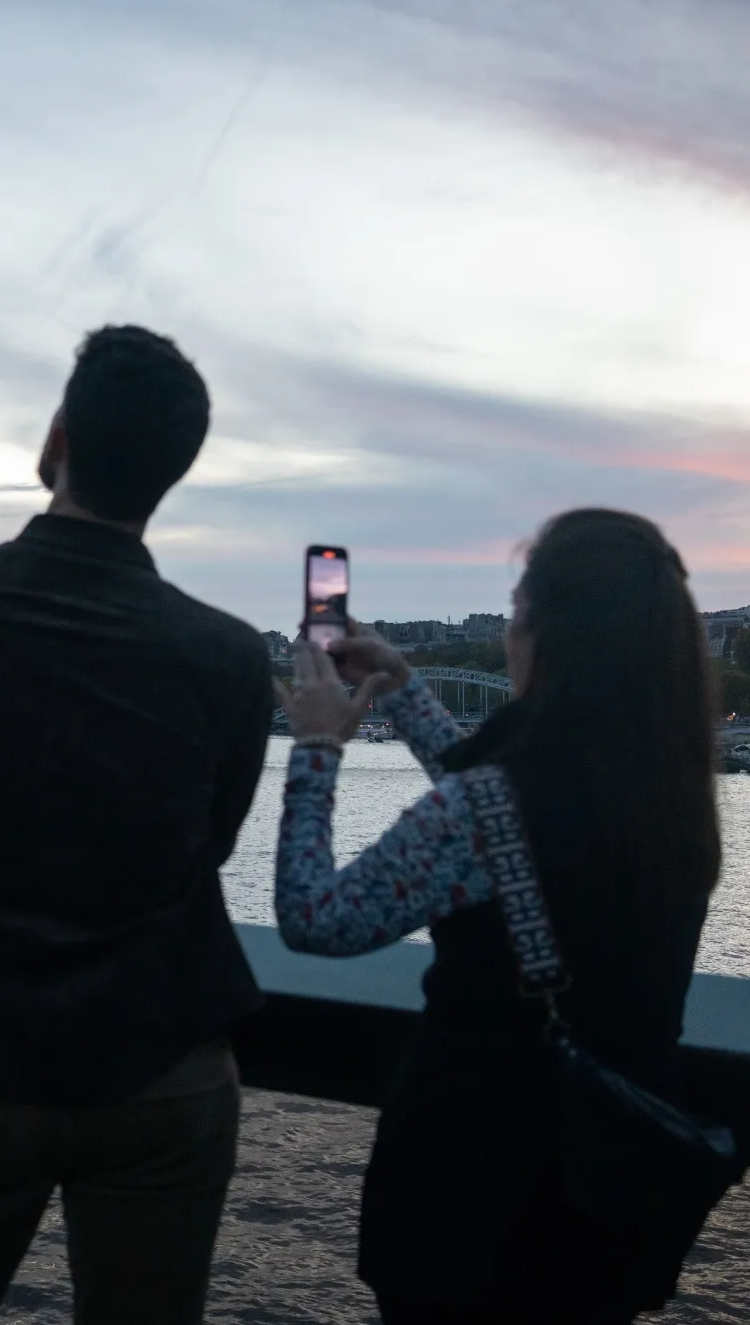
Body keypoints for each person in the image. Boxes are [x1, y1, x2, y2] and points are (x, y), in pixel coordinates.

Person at [0, 325, 271, 1325]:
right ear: (172, 472)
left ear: (55, 438)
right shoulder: (222, 654)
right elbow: (209, 843)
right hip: (161, 1063)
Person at [272, 509, 720, 1324]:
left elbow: (316, 916)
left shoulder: (489, 810)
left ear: (549, 640)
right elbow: (517, 824)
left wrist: (317, 748)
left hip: (468, 1202)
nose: (511, 635)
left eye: (517, 614)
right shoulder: (672, 800)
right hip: (603, 1207)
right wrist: (405, 690)